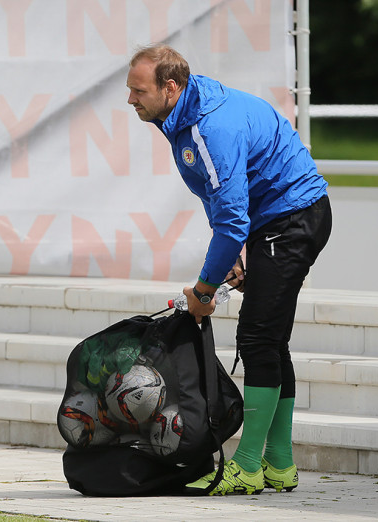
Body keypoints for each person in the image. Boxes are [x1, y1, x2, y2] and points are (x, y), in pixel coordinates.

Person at [126, 44, 332, 496]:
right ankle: (279, 463)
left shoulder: (208, 126)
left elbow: (233, 216)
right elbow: (216, 193)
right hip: (277, 221)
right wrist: (235, 252)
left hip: (292, 219)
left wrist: (203, 289)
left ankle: (248, 466)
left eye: (138, 91)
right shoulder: (179, 114)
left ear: (170, 86)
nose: (130, 100)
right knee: (271, 339)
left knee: (258, 337)